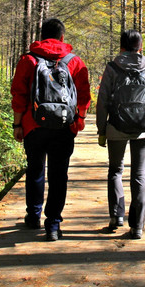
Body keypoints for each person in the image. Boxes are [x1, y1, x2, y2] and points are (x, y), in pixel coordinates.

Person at [11, 18, 91, 241]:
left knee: (35, 170)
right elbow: (84, 96)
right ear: (62, 37)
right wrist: (79, 120)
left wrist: (18, 124)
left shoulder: (29, 59)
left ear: (42, 36)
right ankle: (53, 224)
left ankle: (33, 215)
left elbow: (19, 94)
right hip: (64, 126)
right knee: (58, 174)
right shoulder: (74, 62)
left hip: (33, 125)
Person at [96, 29, 145, 239]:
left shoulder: (113, 68)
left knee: (115, 170)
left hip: (116, 126)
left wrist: (102, 129)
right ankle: (137, 226)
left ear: (121, 47)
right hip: (143, 129)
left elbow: (103, 100)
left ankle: (116, 217)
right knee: (139, 175)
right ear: (140, 48)